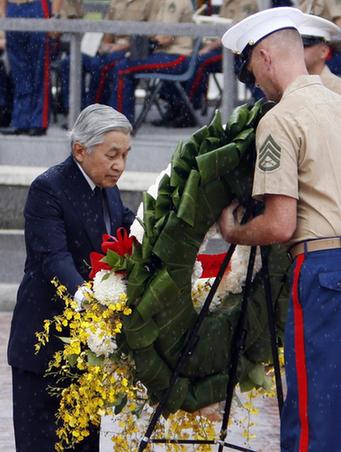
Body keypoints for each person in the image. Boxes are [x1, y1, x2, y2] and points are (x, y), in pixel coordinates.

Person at [220, 7, 341, 452]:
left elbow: (280, 223)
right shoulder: (339, 102)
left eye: (252, 69)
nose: (255, 84)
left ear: (266, 58)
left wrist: (235, 231)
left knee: (314, 415)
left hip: (325, 271)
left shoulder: (279, 119)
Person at [7, 104, 135, 452]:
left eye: (125, 155)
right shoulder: (48, 188)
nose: (119, 165)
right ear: (80, 149)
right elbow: (54, 259)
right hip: (43, 349)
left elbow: (127, 227)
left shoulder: (108, 187)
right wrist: (89, 301)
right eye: (112, 154)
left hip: (87, 355)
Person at [108, 0, 194, 126]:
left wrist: (142, 39)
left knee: (122, 68)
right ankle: (120, 118)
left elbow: (165, 38)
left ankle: (119, 124)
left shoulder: (174, 1)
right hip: (162, 54)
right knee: (121, 65)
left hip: (176, 56)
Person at [60, 0, 155, 111]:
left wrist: (123, 46)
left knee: (99, 65)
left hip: (133, 50)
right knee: (71, 62)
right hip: (111, 48)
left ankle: (94, 112)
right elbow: (107, 29)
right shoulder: (116, 2)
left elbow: (150, 34)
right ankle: (74, 111)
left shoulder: (150, 3)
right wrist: (105, 46)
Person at [0, 0, 63, 136]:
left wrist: (55, 16)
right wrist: (3, 14)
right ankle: (21, 120)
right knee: (19, 71)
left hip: (37, 7)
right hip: (13, 9)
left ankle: (38, 121)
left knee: (40, 70)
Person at [299, 13, 341, 93]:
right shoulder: (287, 86)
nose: (298, 50)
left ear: (324, 52)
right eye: (296, 45)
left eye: (305, 46)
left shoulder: (338, 89)